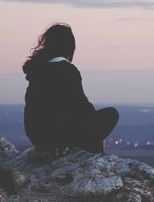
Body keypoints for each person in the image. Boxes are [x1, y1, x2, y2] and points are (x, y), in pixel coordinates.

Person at [23, 23, 119, 153]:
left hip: (38, 137)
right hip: (59, 137)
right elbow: (82, 105)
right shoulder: (67, 70)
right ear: (69, 46)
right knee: (111, 114)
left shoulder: (37, 70)